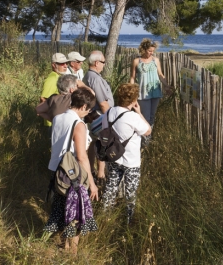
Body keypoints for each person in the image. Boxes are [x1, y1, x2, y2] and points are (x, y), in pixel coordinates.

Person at [44, 88, 99, 254]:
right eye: (88, 110)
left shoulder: (58, 117)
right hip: (72, 174)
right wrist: (92, 182)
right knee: (76, 213)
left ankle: (64, 245)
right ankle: (73, 253)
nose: (87, 114)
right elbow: (82, 157)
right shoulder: (79, 125)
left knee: (61, 209)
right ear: (82, 107)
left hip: (56, 169)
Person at [101, 83, 151, 225]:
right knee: (130, 192)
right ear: (134, 100)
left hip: (113, 157)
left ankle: (106, 216)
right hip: (131, 161)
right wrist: (139, 112)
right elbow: (148, 130)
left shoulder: (109, 113)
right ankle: (128, 220)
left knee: (111, 186)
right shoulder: (133, 117)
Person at [82, 50, 114, 179]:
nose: (104, 65)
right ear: (96, 63)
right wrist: (112, 118)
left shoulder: (89, 75)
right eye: (103, 62)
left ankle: (91, 170)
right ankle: (100, 176)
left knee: (94, 144)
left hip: (94, 117)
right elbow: (103, 103)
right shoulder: (94, 78)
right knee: (103, 144)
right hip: (100, 117)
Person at [129, 38, 171, 129]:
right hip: (142, 93)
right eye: (149, 51)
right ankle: (144, 139)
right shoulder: (137, 61)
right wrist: (132, 93)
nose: (151, 53)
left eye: (153, 51)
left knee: (152, 117)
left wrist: (166, 86)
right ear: (144, 49)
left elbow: (160, 74)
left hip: (155, 92)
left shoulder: (155, 60)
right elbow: (132, 77)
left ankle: (148, 137)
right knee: (145, 117)